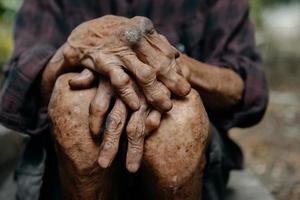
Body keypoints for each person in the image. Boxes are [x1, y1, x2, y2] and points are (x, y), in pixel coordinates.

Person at [0, 0, 268, 200]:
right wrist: (70, 52)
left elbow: (247, 88)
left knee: (177, 122)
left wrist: (167, 66)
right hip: (63, 173)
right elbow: (18, 84)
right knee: (75, 104)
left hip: (196, 164)